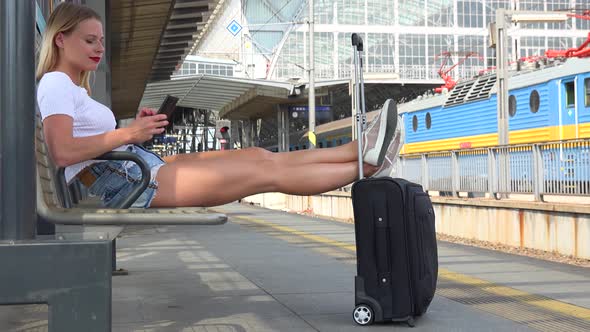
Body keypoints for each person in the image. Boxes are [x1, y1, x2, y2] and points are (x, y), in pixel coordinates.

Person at [36, 3, 402, 209]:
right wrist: (129, 132)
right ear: (61, 39)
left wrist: (136, 133)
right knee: (262, 175)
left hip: (138, 168)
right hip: (132, 182)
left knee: (259, 155)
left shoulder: (72, 88)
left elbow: (91, 145)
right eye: (89, 40)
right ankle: (366, 166)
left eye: (100, 40)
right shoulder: (54, 82)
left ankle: (360, 150)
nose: (98, 48)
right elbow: (64, 152)